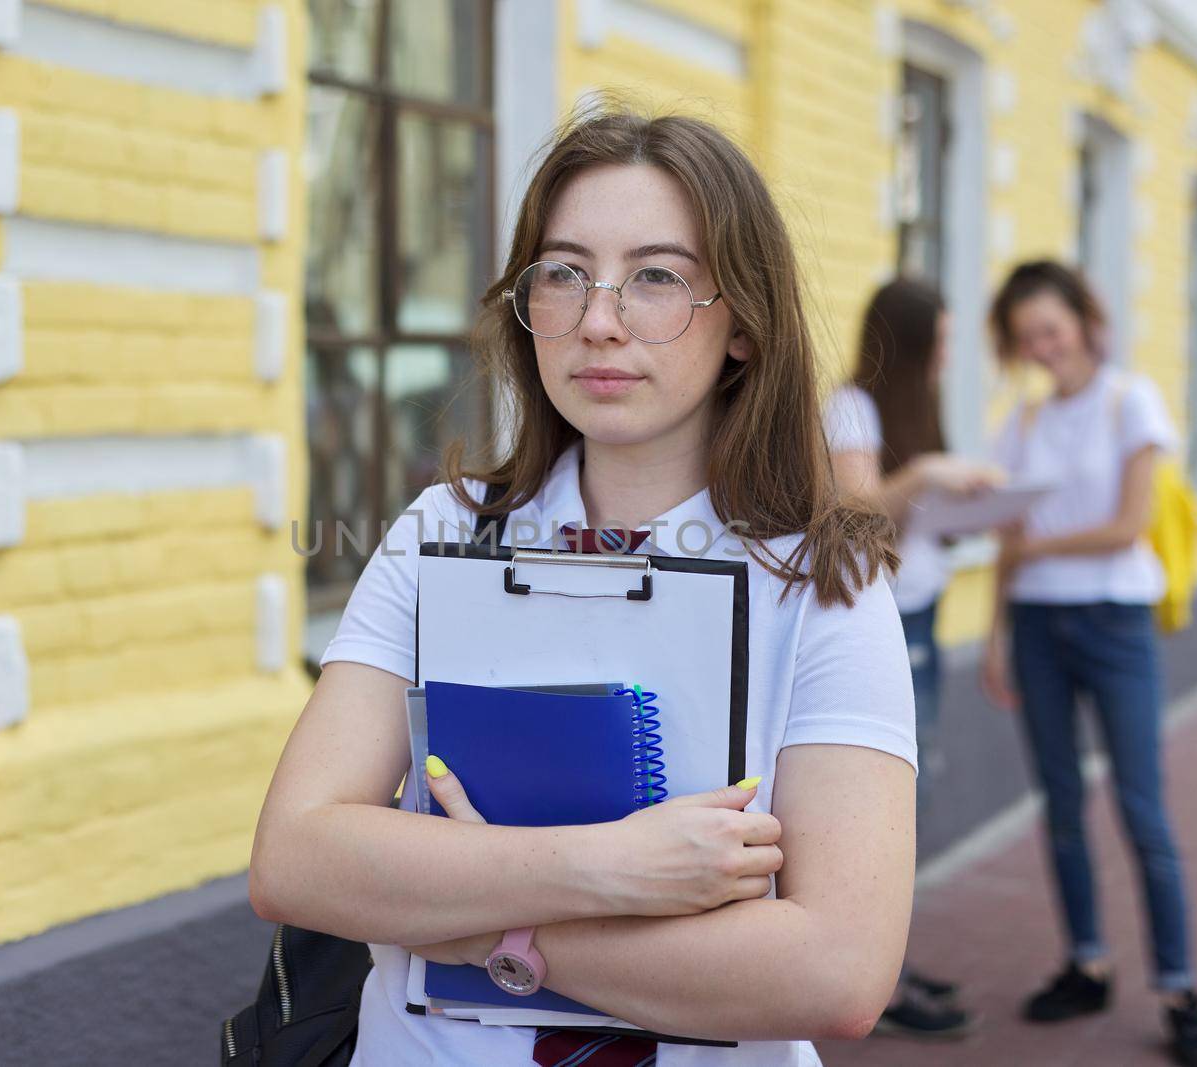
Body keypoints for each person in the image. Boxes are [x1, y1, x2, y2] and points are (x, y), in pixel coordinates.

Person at [248, 108, 919, 1066]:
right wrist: (611, 867)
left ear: (742, 324)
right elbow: (295, 859)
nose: (599, 320)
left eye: (657, 277)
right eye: (564, 273)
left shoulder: (821, 581)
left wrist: (489, 933)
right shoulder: (444, 532)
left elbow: (839, 970)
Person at [982, 260, 1197, 1067]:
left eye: (1051, 329)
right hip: (1040, 626)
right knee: (1059, 802)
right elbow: (1004, 545)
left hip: (1116, 623)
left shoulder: (1131, 400)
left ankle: (1181, 988)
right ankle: (1087, 961)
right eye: (1026, 339)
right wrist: (994, 636)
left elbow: (1128, 526)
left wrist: (1036, 543)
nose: (1043, 348)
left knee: (1141, 808)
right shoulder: (1022, 424)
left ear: (1085, 319)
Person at [823, 278, 999, 1040]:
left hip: (923, 615)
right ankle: (873, 977)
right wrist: (928, 476)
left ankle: (888, 960)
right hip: (883, 624)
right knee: (886, 802)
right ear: (910, 339)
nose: (949, 356)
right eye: (941, 340)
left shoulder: (915, 411)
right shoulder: (852, 408)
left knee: (912, 799)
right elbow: (859, 511)